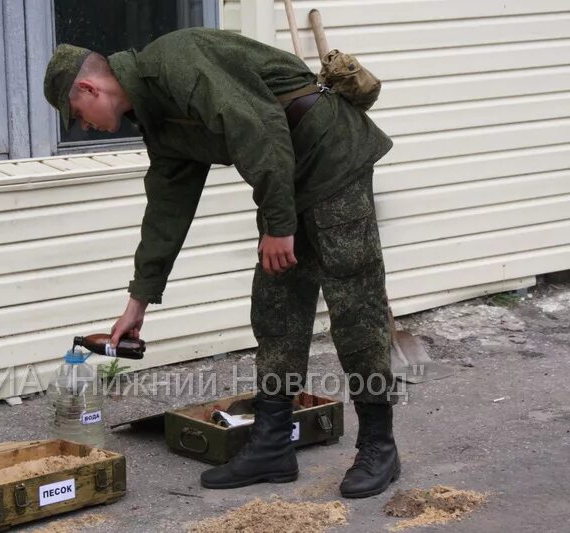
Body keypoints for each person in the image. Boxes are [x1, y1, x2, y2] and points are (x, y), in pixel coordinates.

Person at [43, 27, 399, 498]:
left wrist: (277, 225)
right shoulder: (157, 116)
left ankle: (379, 444)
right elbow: (168, 206)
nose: (83, 126)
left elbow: (259, 126)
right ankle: (272, 445)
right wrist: (140, 300)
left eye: (77, 116)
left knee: (355, 309)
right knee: (275, 311)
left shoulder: (178, 63)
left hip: (331, 158)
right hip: (284, 175)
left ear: (89, 88)